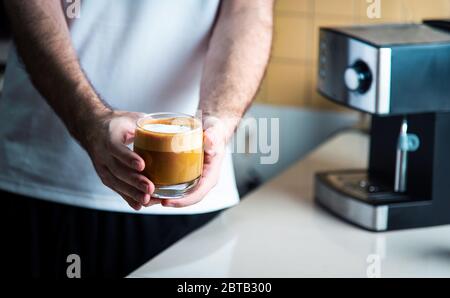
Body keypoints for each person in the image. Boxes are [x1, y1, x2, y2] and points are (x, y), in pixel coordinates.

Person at [0, 0, 273, 277]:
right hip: (44, 178)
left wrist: (219, 126)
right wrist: (89, 121)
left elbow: (248, 10)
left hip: (194, 190)